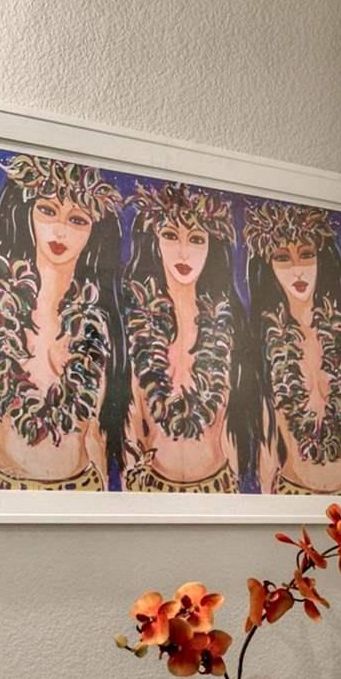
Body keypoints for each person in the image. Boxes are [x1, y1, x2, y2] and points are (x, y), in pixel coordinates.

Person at [0, 151, 123, 490]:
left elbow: (98, 430)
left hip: (82, 489)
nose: (59, 231)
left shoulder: (99, 322)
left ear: (94, 231)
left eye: (77, 219)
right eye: (47, 211)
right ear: (26, 213)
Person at [234, 199, 341, 496]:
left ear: (322, 259)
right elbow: (265, 442)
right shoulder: (262, 346)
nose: (297, 270)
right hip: (291, 493)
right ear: (268, 267)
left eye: (306, 255)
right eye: (283, 258)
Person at [119, 179, 242, 493]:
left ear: (212, 247)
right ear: (154, 243)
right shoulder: (131, 320)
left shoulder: (230, 325)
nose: (184, 252)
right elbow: (129, 425)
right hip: (149, 490)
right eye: (171, 236)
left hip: (220, 487)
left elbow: (235, 430)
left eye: (197, 239)